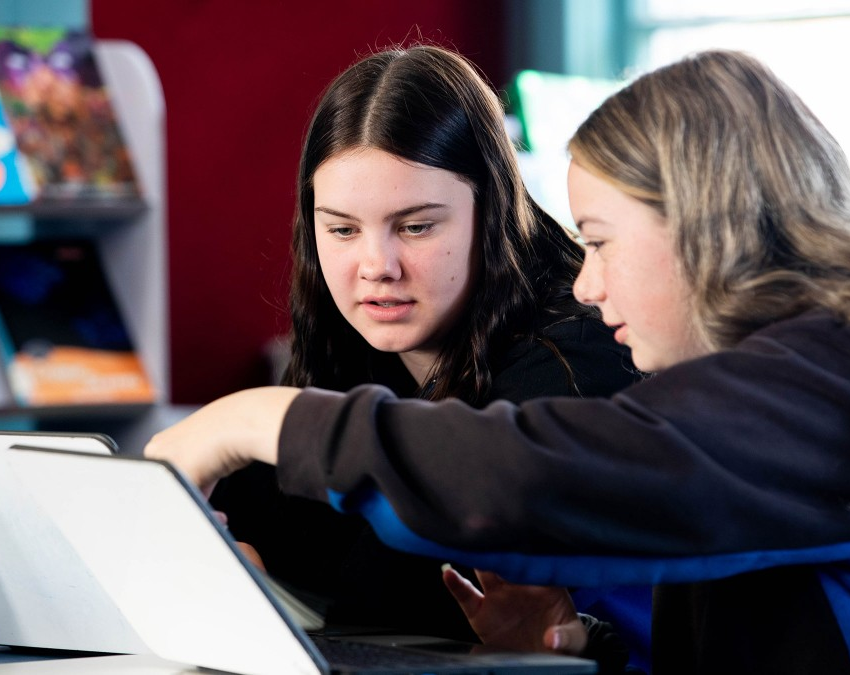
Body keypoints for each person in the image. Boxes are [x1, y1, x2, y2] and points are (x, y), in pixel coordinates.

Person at [147, 49, 850, 672]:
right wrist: (593, 641)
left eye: (598, 242)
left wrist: (257, 417)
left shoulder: (842, 375)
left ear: (702, 233)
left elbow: (529, 478)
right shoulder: (809, 370)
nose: (587, 284)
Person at [204, 43, 645, 670]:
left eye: (415, 227)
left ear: (490, 215)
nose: (376, 267)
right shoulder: (349, 342)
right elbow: (259, 528)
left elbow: (400, 597)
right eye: (342, 229)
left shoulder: (586, 348)